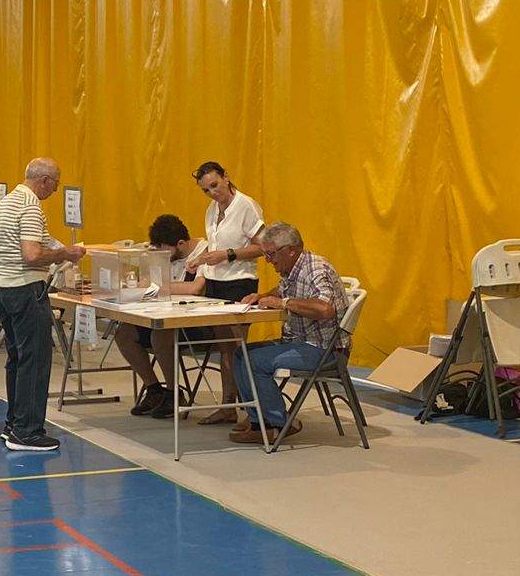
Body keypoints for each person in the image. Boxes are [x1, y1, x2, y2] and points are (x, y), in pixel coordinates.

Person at [0, 159, 87, 454]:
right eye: (56, 184)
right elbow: (32, 255)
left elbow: (36, 242)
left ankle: (14, 423)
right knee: (35, 359)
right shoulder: (31, 206)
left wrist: (61, 251)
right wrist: (64, 254)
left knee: (17, 357)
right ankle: (28, 432)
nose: (55, 190)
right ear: (44, 180)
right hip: (24, 288)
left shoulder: (9, 202)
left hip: (0, 286)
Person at [228, 223, 347, 444]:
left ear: (290, 250)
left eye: (271, 254)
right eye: (266, 254)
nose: (269, 260)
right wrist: (261, 296)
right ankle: (258, 420)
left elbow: (325, 309)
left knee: (254, 361)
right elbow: (281, 291)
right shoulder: (292, 269)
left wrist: (283, 303)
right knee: (240, 353)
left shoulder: (315, 269)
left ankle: (278, 424)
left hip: (323, 349)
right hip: (301, 341)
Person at [181, 162, 264, 424]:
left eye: (215, 186)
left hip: (239, 283)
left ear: (226, 178)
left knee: (237, 347)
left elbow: (263, 246)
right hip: (216, 282)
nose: (212, 193)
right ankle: (229, 405)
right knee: (224, 349)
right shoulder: (211, 210)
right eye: (206, 190)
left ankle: (250, 407)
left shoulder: (246, 206)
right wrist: (201, 260)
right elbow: (215, 248)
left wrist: (228, 255)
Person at [114, 213, 206, 416]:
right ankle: (154, 388)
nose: (160, 254)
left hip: (193, 322)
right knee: (124, 333)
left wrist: (157, 287)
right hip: (163, 313)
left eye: (164, 249)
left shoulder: (203, 253)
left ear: (180, 244)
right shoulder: (163, 253)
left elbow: (195, 288)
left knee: (161, 333)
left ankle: (174, 392)